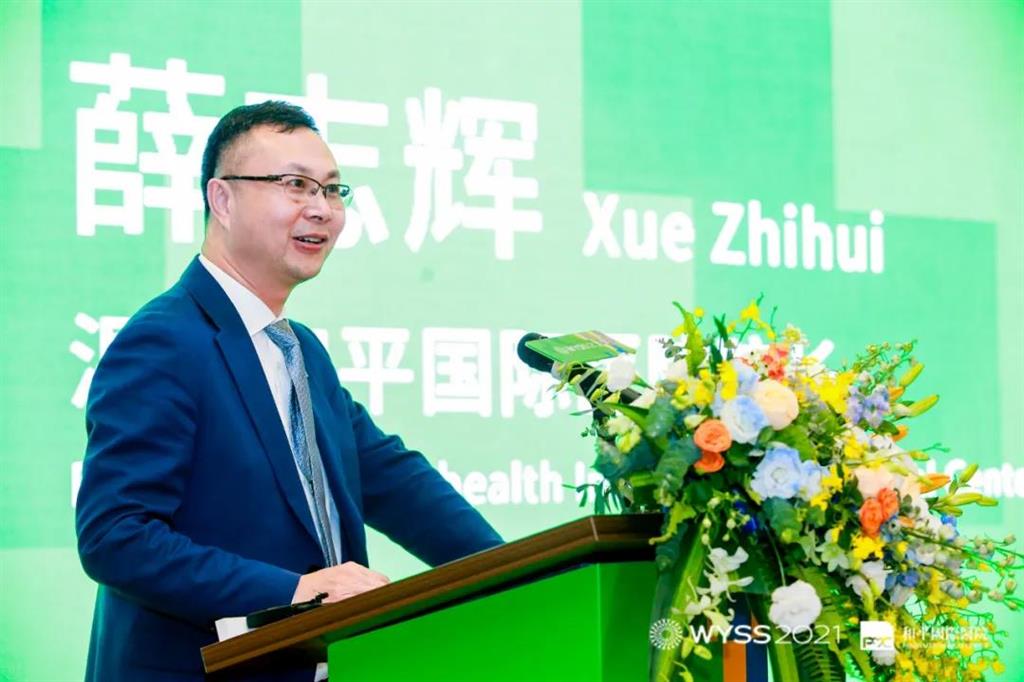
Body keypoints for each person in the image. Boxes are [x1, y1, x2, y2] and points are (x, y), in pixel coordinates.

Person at [75, 100, 504, 682]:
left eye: (332, 190)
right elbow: (116, 536)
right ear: (222, 199)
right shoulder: (163, 341)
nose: (321, 208)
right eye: (295, 185)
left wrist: (515, 571)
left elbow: (392, 478)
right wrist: (295, 592)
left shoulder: (298, 349)